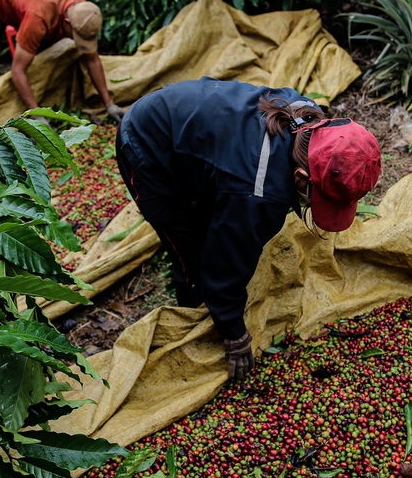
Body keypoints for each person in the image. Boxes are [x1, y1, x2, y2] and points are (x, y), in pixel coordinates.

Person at [116, 77, 381, 380]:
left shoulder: (309, 118)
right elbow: (223, 265)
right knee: (190, 247)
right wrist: (234, 333)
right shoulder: (256, 193)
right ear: (300, 177)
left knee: (222, 215)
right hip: (146, 142)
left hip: (198, 128)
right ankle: (194, 309)